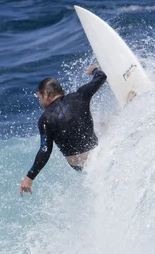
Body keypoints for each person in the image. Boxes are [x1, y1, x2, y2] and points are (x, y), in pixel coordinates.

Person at [19, 64, 107, 196]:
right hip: (98, 153)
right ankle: (129, 107)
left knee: (99, 122)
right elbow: (101, 77)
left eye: (40, 98)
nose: (41, 102)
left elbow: (45, 150)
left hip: (82, 164)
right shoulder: (80, 95)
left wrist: (29, 177)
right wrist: (94, 69)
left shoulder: (45, 119)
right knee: (104, 121)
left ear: (46, 94)